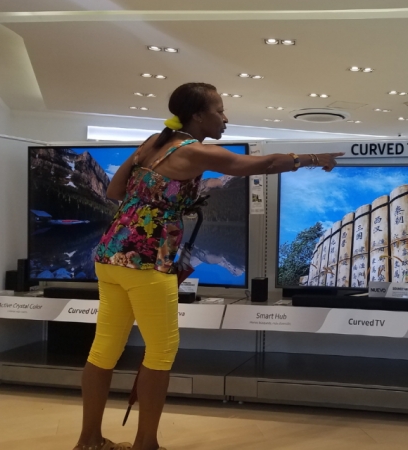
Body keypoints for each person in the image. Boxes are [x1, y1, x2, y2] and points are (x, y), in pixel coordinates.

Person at [73, 82, 343, 450]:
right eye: (219, 110)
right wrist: (312, 158)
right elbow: (262, 164)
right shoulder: (195, 152)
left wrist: (162, 203)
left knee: (104, 349)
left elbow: (114, 191)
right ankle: (145, 445)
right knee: (161, 351)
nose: (225, 118)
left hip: (110, 255)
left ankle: (88, 441)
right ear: (198, 116)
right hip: (148, 262)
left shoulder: (153, 142)